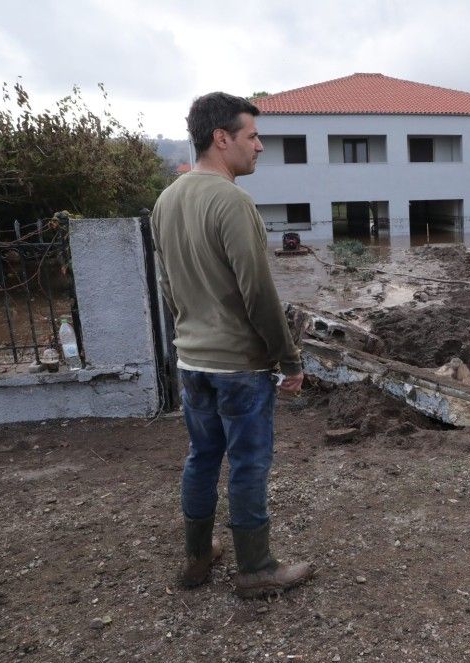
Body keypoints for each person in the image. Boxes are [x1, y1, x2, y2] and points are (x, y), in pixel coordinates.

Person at [150, 92, 310, 598]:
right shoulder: (232, 201)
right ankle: (257, 569)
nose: (260, 147)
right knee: (247, 463)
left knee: (201, 456)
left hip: (192, 360)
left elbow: (168, 287)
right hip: (239, 366)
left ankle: (198, 557)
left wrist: (190, 333)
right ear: (222, 139)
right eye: (252, 136)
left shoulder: (166, 200)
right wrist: (289, 360)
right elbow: (259, 291)